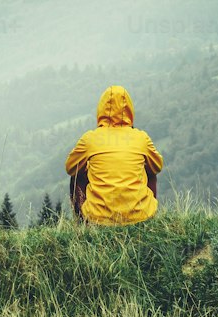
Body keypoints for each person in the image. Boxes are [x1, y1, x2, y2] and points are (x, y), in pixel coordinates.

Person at [65, 85, 163, 225]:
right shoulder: (141, 138)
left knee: (76, 175)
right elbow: (157, 167)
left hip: (98, 218)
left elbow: (70, 168)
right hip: (139, 216)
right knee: (150, 169)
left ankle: (83, 223)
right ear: (129, 109)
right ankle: (148, 216)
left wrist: (91, 169)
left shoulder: (89, 139)